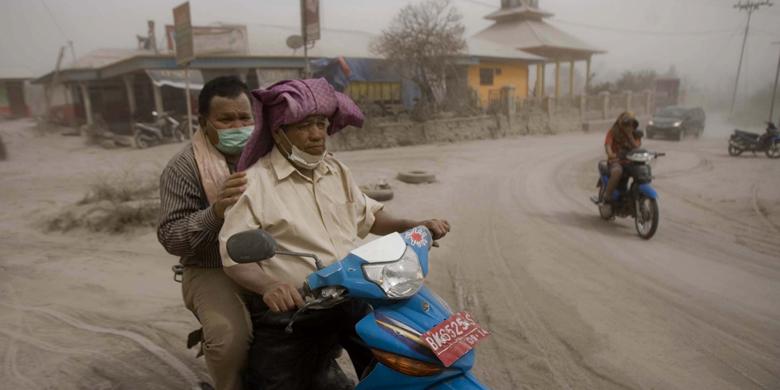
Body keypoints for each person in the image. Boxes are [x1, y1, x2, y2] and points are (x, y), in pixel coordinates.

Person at [218, 78, 451, 390]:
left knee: (400, 362)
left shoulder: (335, 170)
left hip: (350, 293)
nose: (317, 134)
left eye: (321, 124)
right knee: (276, 384)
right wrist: (269, 285)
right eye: (304, 126)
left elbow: (369, 215)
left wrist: (411, 224)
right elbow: (234, 257)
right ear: (278, 131)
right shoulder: (253, 183)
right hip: (295, 309)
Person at [157, 76, 255, 390]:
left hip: (269, 260)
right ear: (204, 122)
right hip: (212, 266)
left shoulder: (266, 156)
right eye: (226, 120)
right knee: (229, 339)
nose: (238, 126)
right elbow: (171, 236)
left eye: (245, 118)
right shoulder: (183, 167)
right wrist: (216, 213)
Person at [601, 111, 641, 204]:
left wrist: (630, 136)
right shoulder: (613, 132)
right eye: (627, 124)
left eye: (631, 124)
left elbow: (637, 148)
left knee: (641, 172)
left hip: (630, 162)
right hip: (616, 161)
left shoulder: (635, 134)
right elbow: (608, 146)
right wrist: (611, 154)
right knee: (617, 172)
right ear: (620, 123)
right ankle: (608, 196)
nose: (629, 126)